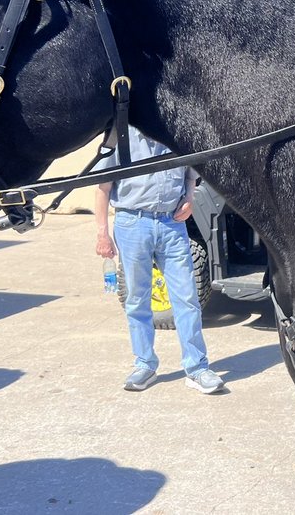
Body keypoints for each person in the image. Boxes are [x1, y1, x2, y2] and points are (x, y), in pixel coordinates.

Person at [95, 126, 225, 394]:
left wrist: (189, 200)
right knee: (136, 299)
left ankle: (197, 368)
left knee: (187, 297)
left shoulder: (175, 134)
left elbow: (191, 177)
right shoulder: (120, 137)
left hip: (171, 224)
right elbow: (103, 188)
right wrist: (102, 235)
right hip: (132, 223)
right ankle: (144, 364)